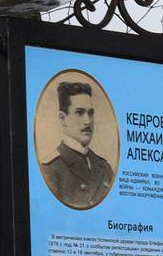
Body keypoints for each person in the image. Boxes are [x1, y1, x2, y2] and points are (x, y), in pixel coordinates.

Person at [39, 78, 113, 209]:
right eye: (79, 112)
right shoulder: (51, 169)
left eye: (91, 113)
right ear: (63, 119)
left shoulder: (105, 168)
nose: (87, 121)